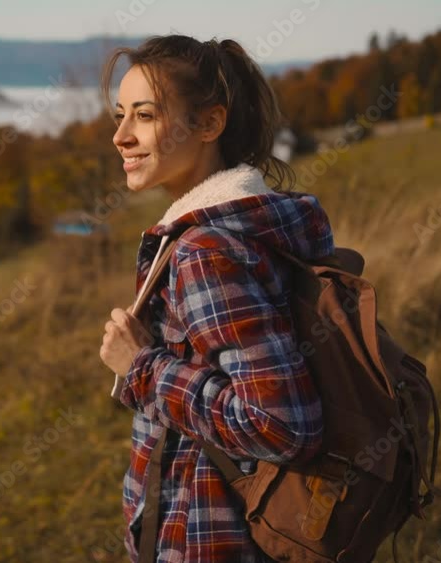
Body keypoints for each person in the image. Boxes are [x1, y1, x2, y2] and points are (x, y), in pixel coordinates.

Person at [97, 34, 336, 562]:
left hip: (211, 537)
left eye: (144, 115)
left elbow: (282, 425)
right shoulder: (252, 224)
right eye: (120, 115)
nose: (120, 136)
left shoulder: (205, 251)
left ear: (209, 125)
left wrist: (140, 368)